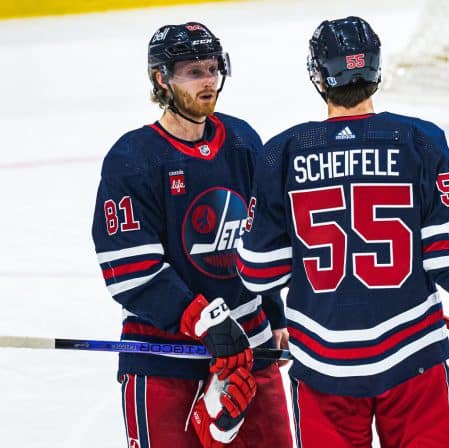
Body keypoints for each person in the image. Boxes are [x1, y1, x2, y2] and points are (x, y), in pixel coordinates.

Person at [237, 16, 449, 448]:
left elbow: (258, 272)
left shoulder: (282, 153)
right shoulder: (419, 140)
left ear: (318, 76)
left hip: (325, 370)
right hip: (413, 360)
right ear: (375, 70)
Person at [91, 22, 292, 448]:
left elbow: (261, 237)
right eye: (194, 72)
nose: (209, 81)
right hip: (166, 357)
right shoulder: (133, 158)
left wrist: (274, 311)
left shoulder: (242, 141)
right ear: (161, 79)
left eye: (213, 68)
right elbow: (131, 269)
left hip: (249, 350)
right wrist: (206, 322)